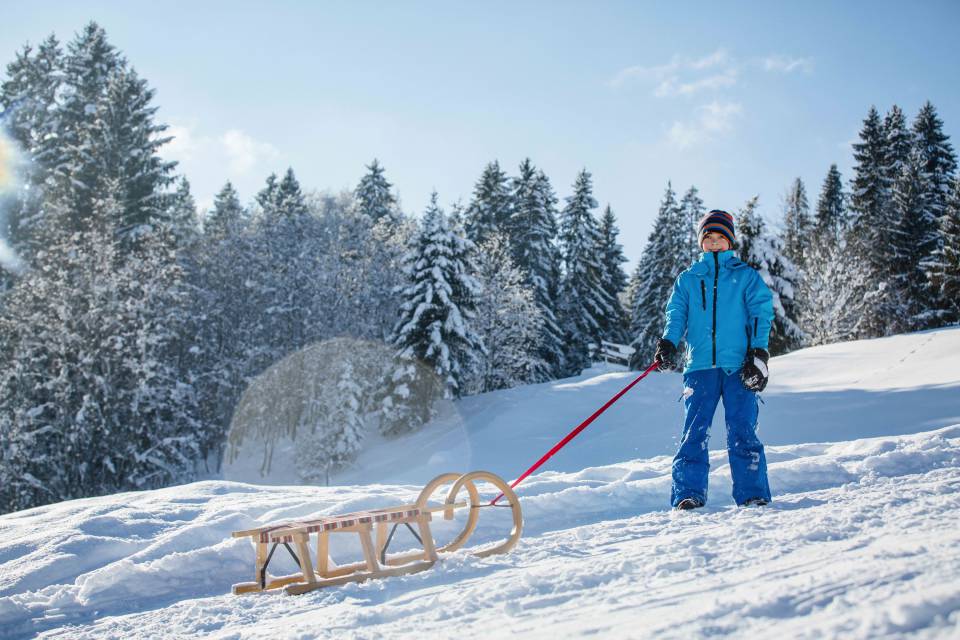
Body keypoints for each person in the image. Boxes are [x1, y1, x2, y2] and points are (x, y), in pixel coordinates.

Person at [654, 209, 774, 510]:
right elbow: (676, 314)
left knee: (743, 431)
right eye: (709, 238)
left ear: (730, 241)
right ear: (701, 242)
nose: (715, 243)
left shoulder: (745, 276)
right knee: (694, 433)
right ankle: (688, 493)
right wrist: (669, 342)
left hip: (739, 366)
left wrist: (759, 353)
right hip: (700, 367)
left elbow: (761, 312)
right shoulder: (688, 279)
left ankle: (752, 494)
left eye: (721, 238)